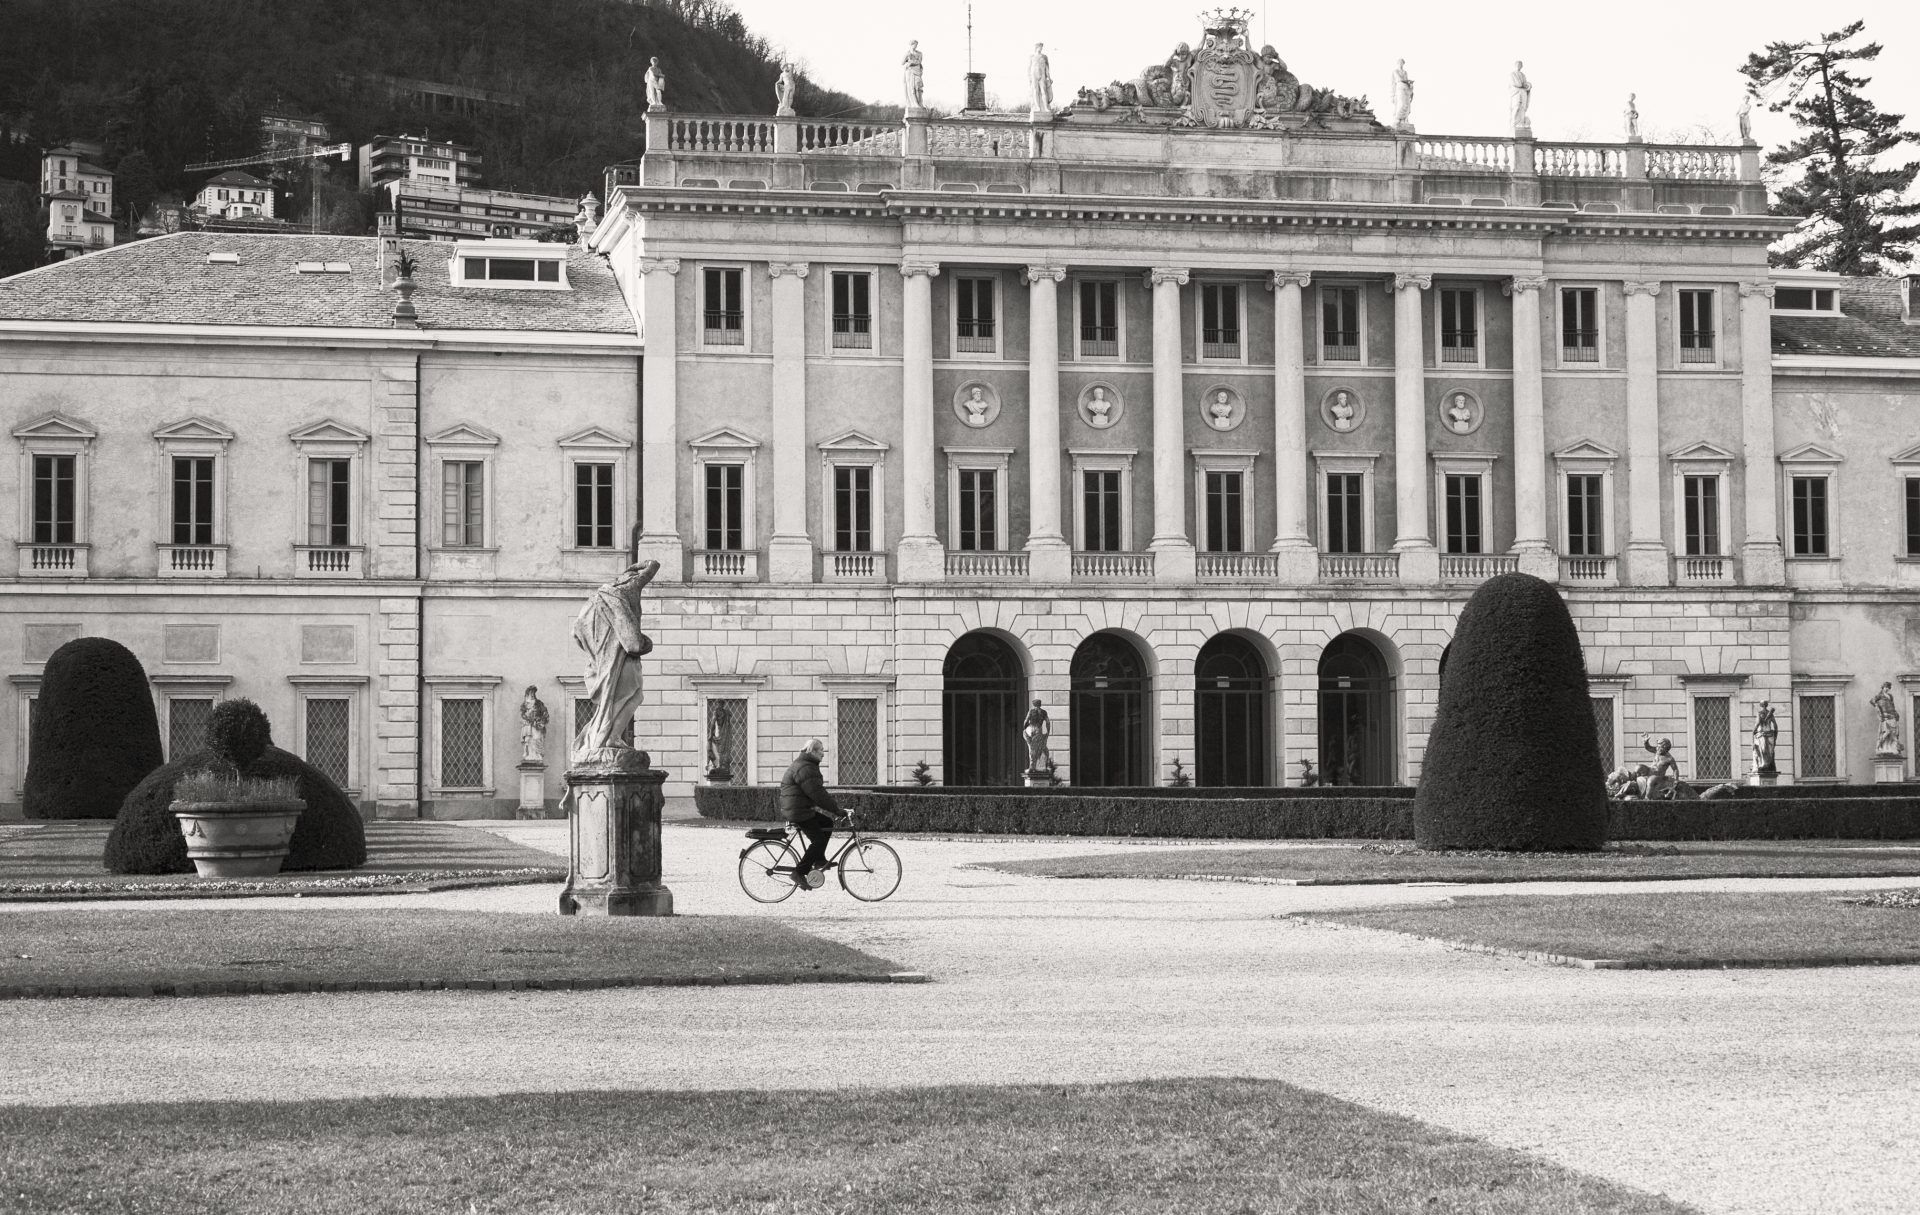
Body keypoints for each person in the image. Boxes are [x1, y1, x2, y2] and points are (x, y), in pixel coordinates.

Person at [780, 738, 844, 888]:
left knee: (827, 822)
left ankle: (819, 859)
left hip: (799, 809)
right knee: (818, 840)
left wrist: (834, 811)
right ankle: (799, 872)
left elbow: (817, 793)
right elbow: (818, 794)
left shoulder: (806, 765)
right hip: (798, 811)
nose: (823, 753)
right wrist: (836, 810)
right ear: (812, 751)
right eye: (821, 750)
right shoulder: (806, 768)